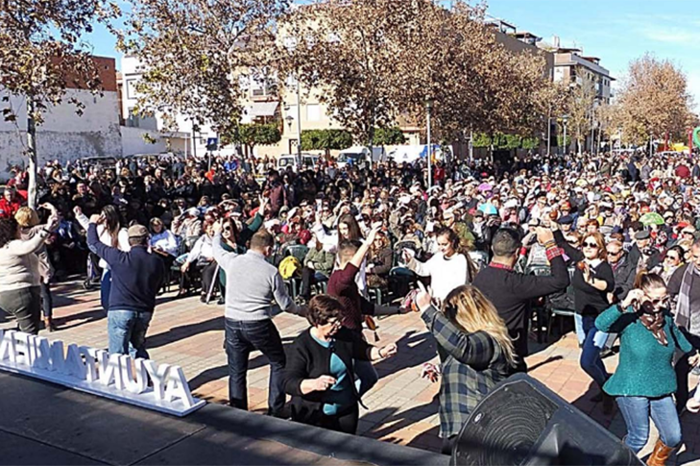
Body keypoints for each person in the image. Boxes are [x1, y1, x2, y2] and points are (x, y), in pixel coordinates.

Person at [596, 272, 698, 464]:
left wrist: (692, 351)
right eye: (655, 301)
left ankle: (654, 462)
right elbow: (601, 324)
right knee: (638, 437)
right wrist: (622, 304)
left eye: (664, 300)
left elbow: (677, 334)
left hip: (661, 384)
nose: (660, 305)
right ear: (640, 295)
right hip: (632, 385)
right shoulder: (629, 317)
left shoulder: (665, 317)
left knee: (673, 436)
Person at [212, 226, 303, 417]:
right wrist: (304, 311)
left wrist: (217, 232)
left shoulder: (232, 261)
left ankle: (238, 412)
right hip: (258, 323)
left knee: (237, 369)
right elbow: (286, 305)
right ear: (268, 249)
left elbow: (217, 250)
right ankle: (276, 410)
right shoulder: (271, 271)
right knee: (278, 362)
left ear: (249, 245)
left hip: (232, 321)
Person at [415, 284, 515, 454]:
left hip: (476, 431)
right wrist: (440, 368)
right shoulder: (476, 342)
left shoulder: (487, 340)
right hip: (462, 428)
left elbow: (463, 347)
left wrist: (427, 309)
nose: (448, 320)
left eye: (450, 316)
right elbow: (468, 362)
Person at [283, 295, 397, 434]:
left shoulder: (342, 334)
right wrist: (313, 384)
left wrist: (381, 352)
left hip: (346, 410)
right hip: (315, 416)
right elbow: (288, 382)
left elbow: (361, 349)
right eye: (334, 322)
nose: (339, 325)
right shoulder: (301, 346)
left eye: (340, 320)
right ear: (318, 322)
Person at [473, 227, 569, 372]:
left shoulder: (480, 277)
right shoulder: (517, 283)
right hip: (509, 354)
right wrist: (550, 244)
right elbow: (561, 280)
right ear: (517, 252)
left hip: (484, 348)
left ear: (493, 248)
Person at [327, 227, 403, 397]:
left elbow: (367, 307)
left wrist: (400, 309)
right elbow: (348, 274)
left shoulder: (349, 285)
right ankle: (338, 407)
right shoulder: (338, 281)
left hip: (356, 337)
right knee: (342, 381)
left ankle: (348, 401)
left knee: (368, 377)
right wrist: (367, 243)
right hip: (342, 340)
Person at [87, 217, 165, 358]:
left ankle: (120, 379)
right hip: (145, 309)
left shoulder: (119, 257)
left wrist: (92, 224)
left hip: (120, 309)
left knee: (118, 354)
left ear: (129, 241)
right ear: (147, 239)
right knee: (138, 347)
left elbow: (93, 244)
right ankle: (145, 378)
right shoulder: (157, 261)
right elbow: (159, 285)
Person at [554, 230, 614, 410]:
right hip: (582, 317)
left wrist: (591, 280)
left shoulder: (603, 267)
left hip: (599, 319)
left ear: (600, 248)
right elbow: (562, 244)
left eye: (592, 245)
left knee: (586, 361)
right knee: (593, 356)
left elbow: (608, 285)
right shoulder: (580, 259)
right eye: (585, 244)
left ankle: (607, 389)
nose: (588, 248)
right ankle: (605, 386)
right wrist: (554, 225)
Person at [0, 214, 59, 335]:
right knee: (29, 333)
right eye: (18, 228)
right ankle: (29, 353)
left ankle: (17, 350)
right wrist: (47, 229)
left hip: (4, 293)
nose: (20, 231)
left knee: (20, 330)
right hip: (22, 292)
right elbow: (30, 246)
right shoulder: (13, 245)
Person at [75, 204, 130, 312]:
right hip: (107, 268)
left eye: (105, 216)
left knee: (118, 300)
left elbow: (128, 251)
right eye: (101, 216)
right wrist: (80, 215)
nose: (102, 219)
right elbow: (90, 229)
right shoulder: (103, 229)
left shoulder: (122, 232)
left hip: (119, 269)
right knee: (105, 300)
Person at [404, 227, 476, 302]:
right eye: (439, 244)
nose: (441, 248)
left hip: (452, 303)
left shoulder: (460, 260)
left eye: (444, 244)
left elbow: (460, 286)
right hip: (436, 302)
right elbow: (424, 270)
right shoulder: (437, 257)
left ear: (452, 242)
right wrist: (410, 260)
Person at [669, 240, 700, 413]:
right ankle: (681, 403)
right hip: (685, 331)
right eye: (696, 257)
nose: (699, 261)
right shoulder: (683, 273)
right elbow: (668, 294)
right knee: (680, 370)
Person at [15, 205, 57, 331]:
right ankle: (48, 320)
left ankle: (23, 321)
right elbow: (55, 220)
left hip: (24, 267)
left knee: (27, 296)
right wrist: (51, 208)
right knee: (45, 294)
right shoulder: (38, 229)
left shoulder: (16, 232)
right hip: (40, 266)